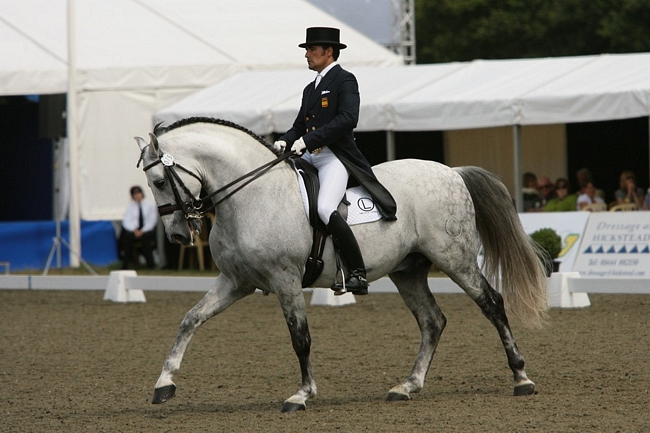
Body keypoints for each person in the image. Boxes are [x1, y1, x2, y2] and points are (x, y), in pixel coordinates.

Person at [273, 27, 396, 296]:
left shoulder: (345, 81)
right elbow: (299, 125)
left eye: (311, 49)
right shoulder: (310, 88)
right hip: (309, 156)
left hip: (334, 157)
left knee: (326, 208)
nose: (306, 54)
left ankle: (357, 272)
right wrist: (285, 140)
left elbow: (347, 120)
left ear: (328, 52)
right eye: (306, 50)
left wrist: (308, 140)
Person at [119, 185, 158, 269]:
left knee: (146, 240)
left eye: (138, 193)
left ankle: (150, 264)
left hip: (146, 230)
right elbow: (127, 220)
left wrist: (142, 231)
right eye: (135, 194)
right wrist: (134, 230)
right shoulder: (130, 206)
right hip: (134, 230)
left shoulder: (149, 205)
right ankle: (125, 264)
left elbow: (152, 221)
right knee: (127, 238)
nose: (137, 195)